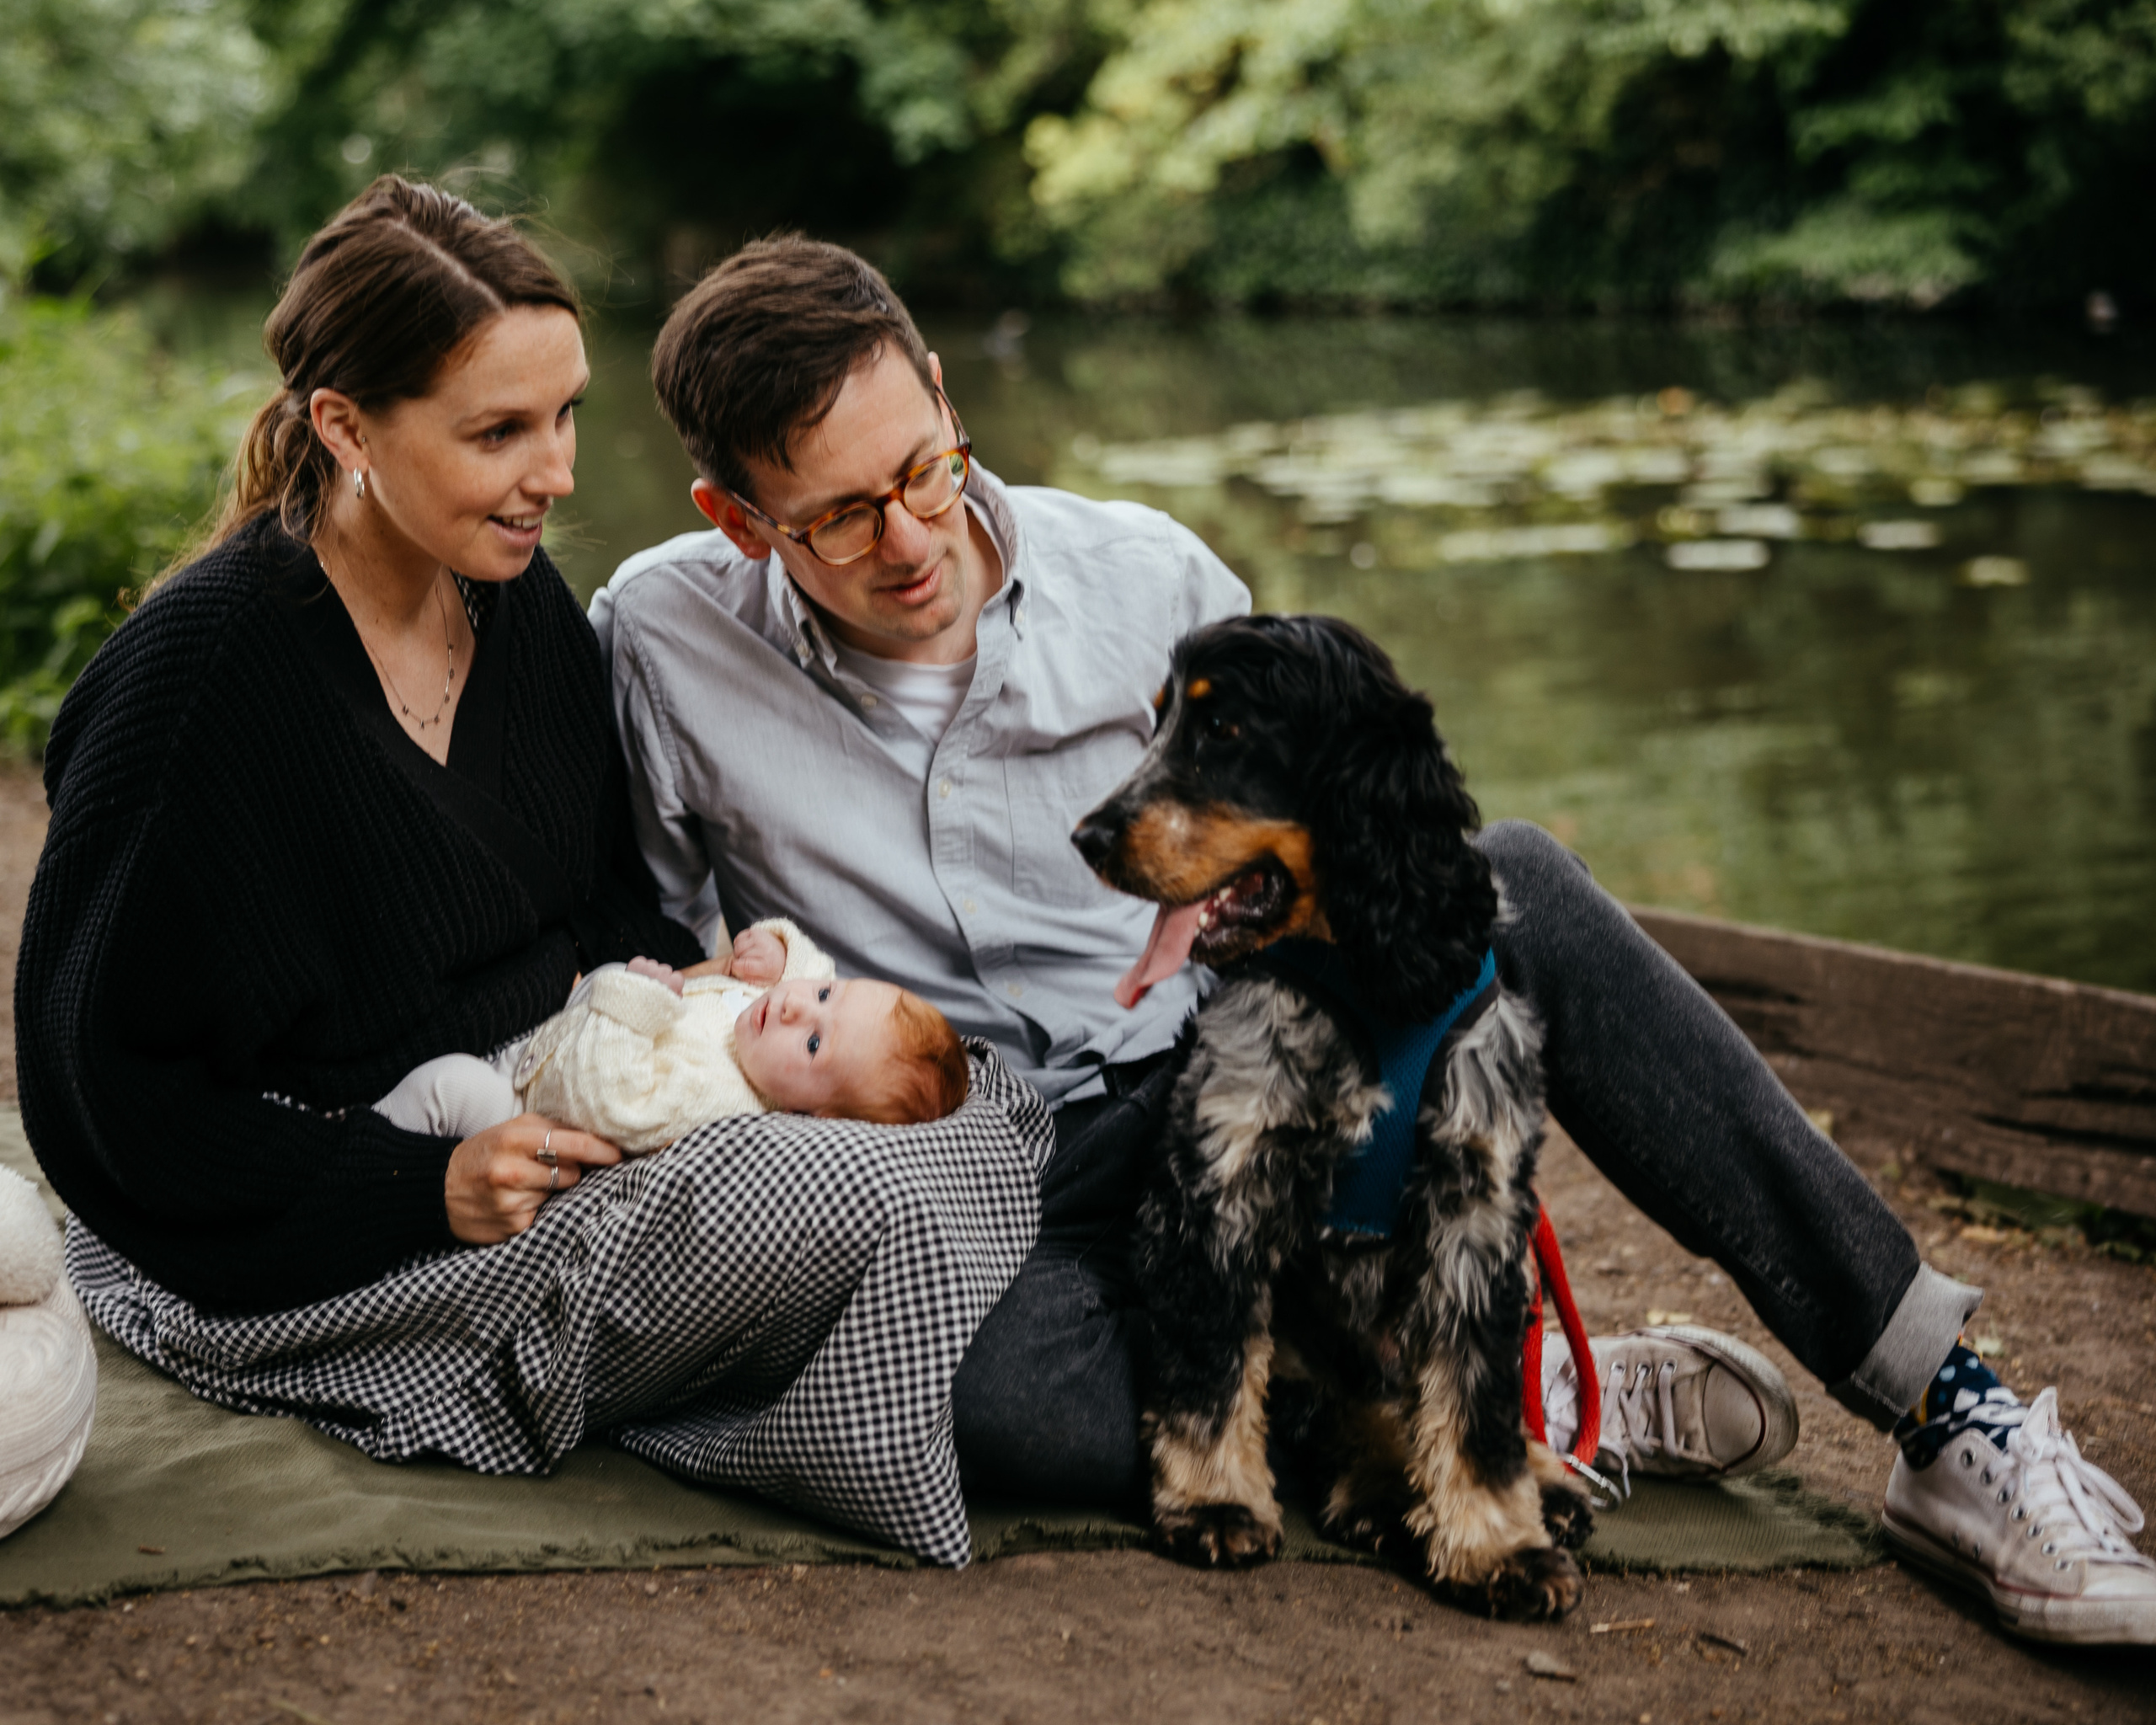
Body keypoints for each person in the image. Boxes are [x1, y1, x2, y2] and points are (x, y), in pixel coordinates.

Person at [593, 236, 2156, 1644]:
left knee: (1519, 881)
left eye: (925, 470)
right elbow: (657, 945)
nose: (909, 538)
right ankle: (1497, 1389)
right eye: (841, 517)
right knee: (996, 1410)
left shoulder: (1156, 579)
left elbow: (1342, 845)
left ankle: (1954, 1414)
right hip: (991, 1159)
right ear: (736, 518)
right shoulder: (661, 638)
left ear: (941, 393)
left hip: (1245, 1058)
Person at [16, 179, 1050, 1569]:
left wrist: (680, 981)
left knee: (971, 1093)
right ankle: (809, 1413)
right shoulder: (199, 688)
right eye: (500, 430)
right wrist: (417, 1187)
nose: (558, 472)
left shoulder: (523, 607)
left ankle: (890, 1345)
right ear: (345, 426)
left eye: (564, 414)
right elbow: (106, 1107)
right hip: (293, 1230)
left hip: (557, 1120)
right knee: (857, 1188)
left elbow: (604, 899)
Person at [375, 919, 970, 1149]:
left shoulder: (720, 1104)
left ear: (808, 1118)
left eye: (815, 1044)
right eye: (825, 998)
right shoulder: (777, 1023)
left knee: (448, 1085)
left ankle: (366, 1130)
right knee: (607, 971)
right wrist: (779, 950)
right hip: (558, 1034)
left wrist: (635, 1002)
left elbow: (612, 1100)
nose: (795, 1008)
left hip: (529, 1106)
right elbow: (811, 969)